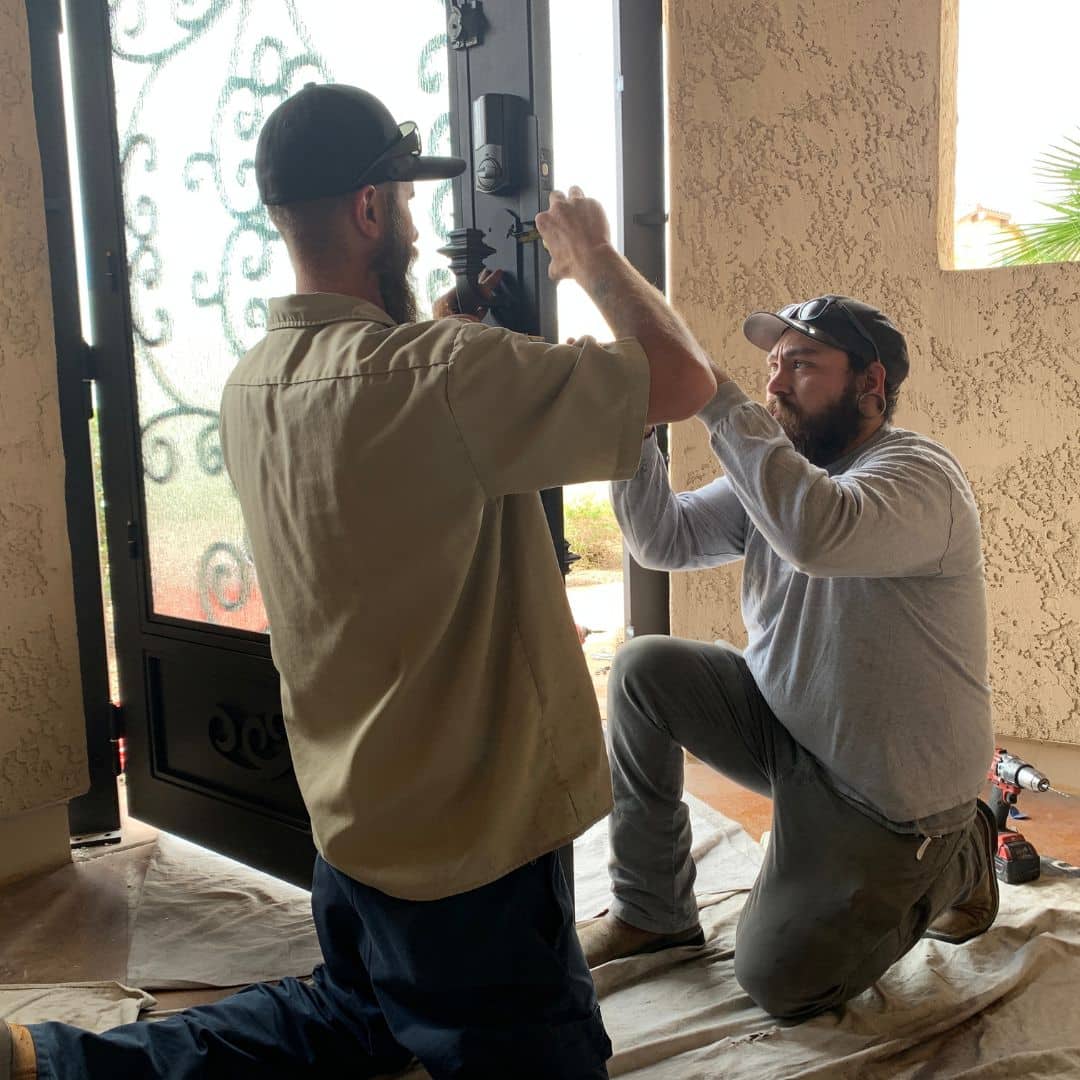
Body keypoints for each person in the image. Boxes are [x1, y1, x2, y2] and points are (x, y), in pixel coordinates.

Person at [2, 84, 716, 1080]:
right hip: (473, 849)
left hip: (352, 818)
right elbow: (683, 376)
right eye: (409, 203)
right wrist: (592, 254)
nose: (417, 224)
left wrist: (447, 338)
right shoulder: (442, 375)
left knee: (352, 1013)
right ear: (373, 207)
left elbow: (390, 445)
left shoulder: (252, 383)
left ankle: (49, 1063)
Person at [579, 296, 999, 1021]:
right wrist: (636, 426)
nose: (774, 385)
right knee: (645, 669)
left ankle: (965, 849)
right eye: (772, 365)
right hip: (790, 740)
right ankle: (653, 910)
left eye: (802, 365)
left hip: (887, 803)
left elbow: (819, 534)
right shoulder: (782, 477)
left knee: (782, 979)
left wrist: (713, 396)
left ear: (870, 384)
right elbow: (664, 540)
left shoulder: (918, 474)